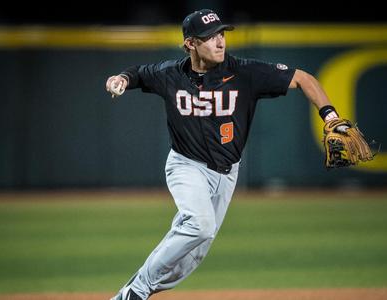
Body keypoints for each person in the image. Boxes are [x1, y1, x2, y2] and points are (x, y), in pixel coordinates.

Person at [106, 9, 341, 300]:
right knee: (200, 226)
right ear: (190, 44)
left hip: (228, 173)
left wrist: (330, 116)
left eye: (221, 34)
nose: (219, 42)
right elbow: (138, 74)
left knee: (192, 257)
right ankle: (135, 292)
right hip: (186, 165)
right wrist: (120, 79)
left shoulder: (245, 73)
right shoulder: (171, 74)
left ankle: (139, 290)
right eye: (209, 37)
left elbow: (304, 79)